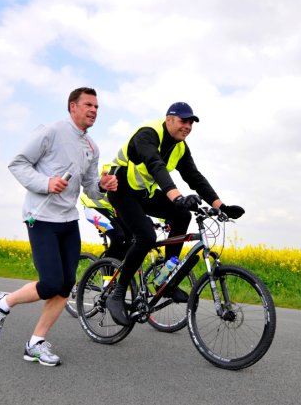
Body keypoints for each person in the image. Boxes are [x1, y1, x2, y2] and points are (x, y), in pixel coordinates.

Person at [0, 87, 118, 366]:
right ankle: (2, 303)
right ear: (73, 107)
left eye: (97, 107)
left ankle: (36, 343)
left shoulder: (92, 147)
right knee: (51, 283)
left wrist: (104, 188)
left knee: (66, 285)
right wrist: (46, 183)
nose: (94, 111)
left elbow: (91, 188)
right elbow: (18, 163)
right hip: (41, 217)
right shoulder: (52, 131)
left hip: (68, 220)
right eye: (88, 105)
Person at [104, 102, 245, 326]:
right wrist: (178, 197)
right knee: (146, 237)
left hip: (144, 193)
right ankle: (118, 293)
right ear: (169, 119)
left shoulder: (180, 147)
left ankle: (166, 280)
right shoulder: (148, 134)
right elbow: (155, 165)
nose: (188, 126)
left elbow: (195, 178)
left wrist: (221, 206)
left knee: (182, 216)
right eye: (183, 121)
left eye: (191, 123)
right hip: (120, 189)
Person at [80, 193, 131, 261]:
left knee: (132, 237)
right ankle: (105, 266)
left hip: (110, 208)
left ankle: (116, 265)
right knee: (118, 236)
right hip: (92, 206)